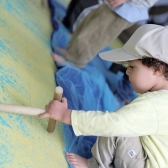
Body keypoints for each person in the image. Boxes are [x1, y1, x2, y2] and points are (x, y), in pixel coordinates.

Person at [39, 24, 168, 168]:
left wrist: (65, 114)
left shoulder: (154, 104)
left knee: (116, 125)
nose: (127, 72)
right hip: (146, 159)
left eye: (132, 67)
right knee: (123, 122)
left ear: (157, 69)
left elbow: (114, 124)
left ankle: (94, 164)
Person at [56, 0, 158, 67]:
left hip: (125, 9)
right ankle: (70, 52)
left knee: (95, 36)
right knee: (87, 24)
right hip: (112, 4)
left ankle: (75, 62)